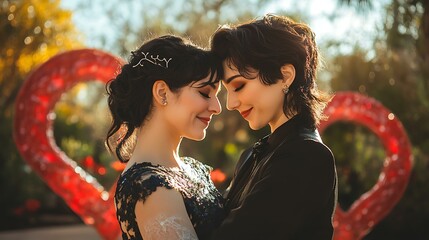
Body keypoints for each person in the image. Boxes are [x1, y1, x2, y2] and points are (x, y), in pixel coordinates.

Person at [209, 14, 338, 239]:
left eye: (238, 86)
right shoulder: (252, 153)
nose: (230, 104)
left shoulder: (307, 156)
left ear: (285, 75)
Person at [106, 35, 225, 240]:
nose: (217, 108)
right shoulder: (149, 186)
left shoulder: (193, 169)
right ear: (162, 93)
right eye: (205, 93)